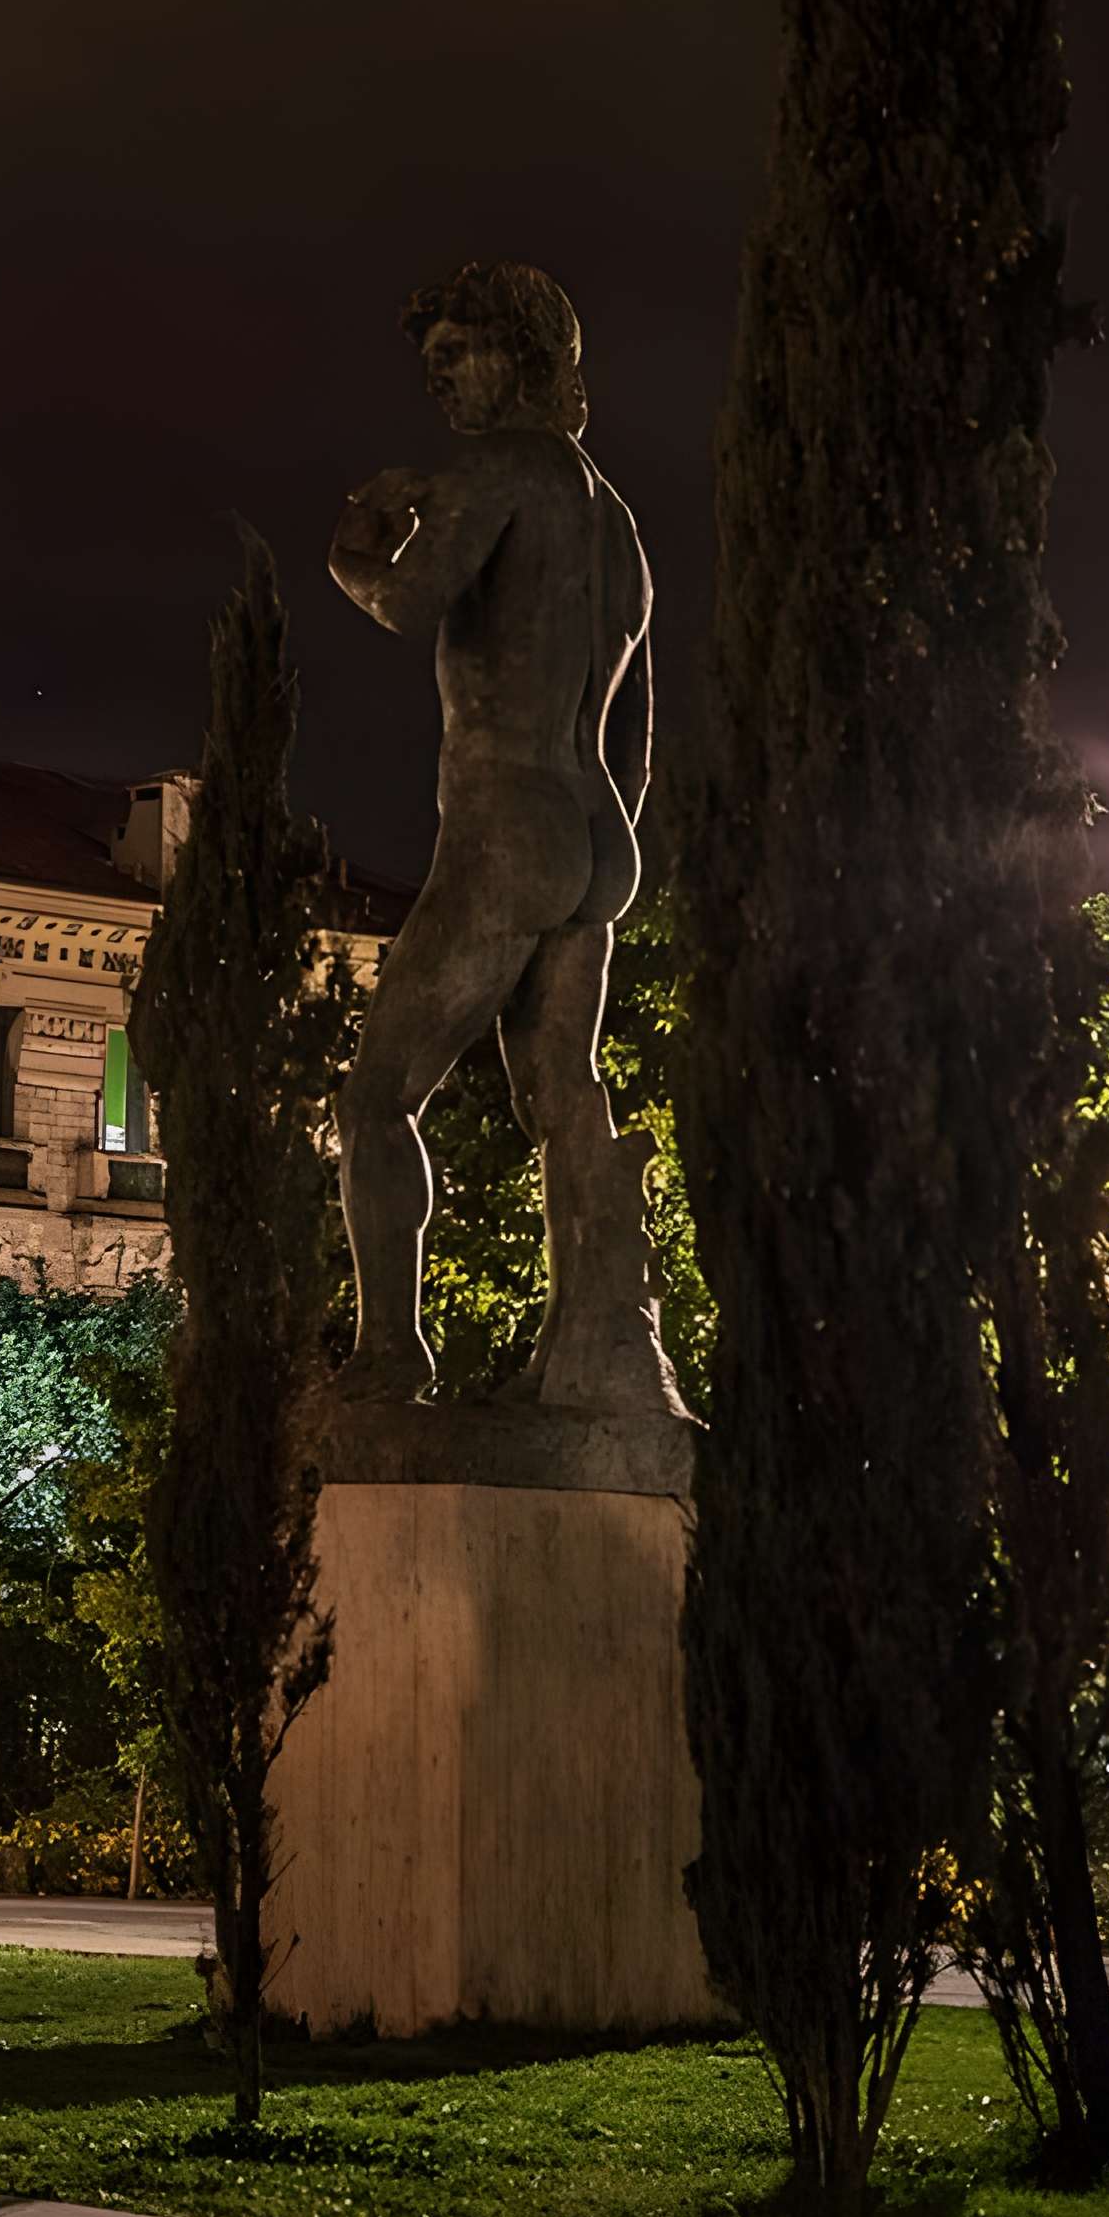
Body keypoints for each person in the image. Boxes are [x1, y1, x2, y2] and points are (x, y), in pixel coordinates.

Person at [323, 259, 678, 1415]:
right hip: (597, 833)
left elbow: (411, 598)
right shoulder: (615, 518)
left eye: (454, 356)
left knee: (376, 1099)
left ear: (521, 353)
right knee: (563, 1097)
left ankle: (392, 1357)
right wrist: (606, 850)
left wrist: (359, 544)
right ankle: (606, 1350)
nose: (441, 385)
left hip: (507, 824)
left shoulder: (504, 469)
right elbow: (637, 726)